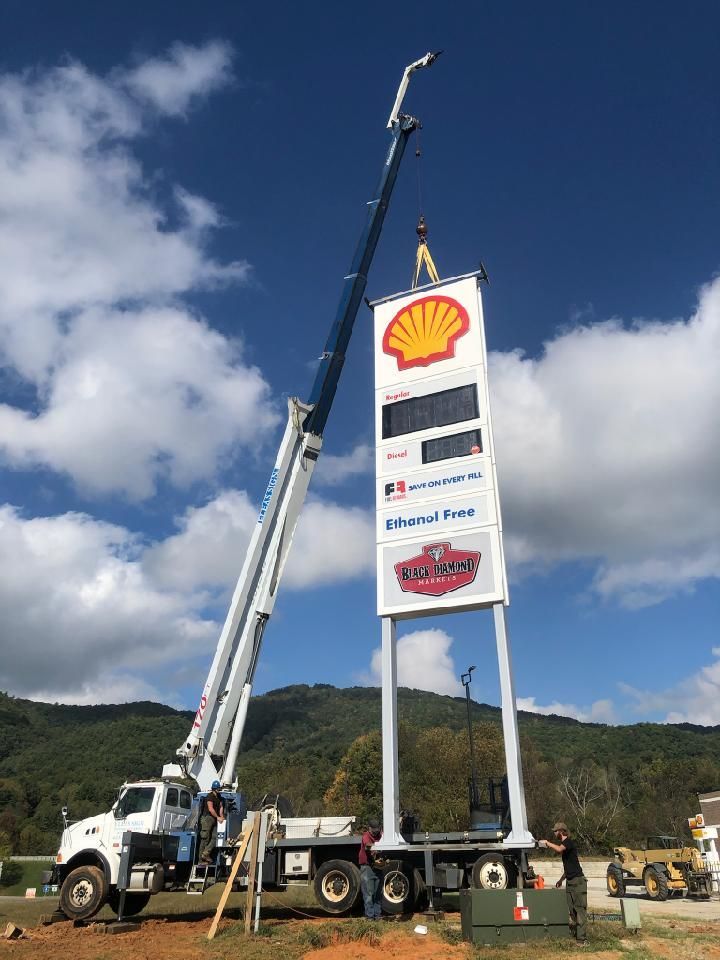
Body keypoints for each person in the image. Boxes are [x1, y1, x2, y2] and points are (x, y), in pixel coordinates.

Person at [538, 822, 587, 946]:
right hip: (570, 881)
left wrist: (547, 843)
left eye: (555, 831)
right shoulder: (565, 846)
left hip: (578, 882)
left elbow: (559, 849)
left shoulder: (568, 843)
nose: (554, 833)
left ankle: (581, 939)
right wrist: (561, 880)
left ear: (561, 831)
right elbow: (568, 868)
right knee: (572, 911)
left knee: (579, 910)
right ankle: (577, 934)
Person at [358, 817, 383, 919]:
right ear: (369, 828)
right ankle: (369, 916)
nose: (376, 832)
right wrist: (377, 847)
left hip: (378, 867)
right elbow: (367, 845)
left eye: (378, 830)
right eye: (374, 830)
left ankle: (377, 915)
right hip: (367, 867)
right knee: (368, 893)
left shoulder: (381, 835)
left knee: (378, 892)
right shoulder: (366, 836)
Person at [199, 780, 225, 864]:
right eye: (217, 788)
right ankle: (201, 860)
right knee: (205, 838)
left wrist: (221, 816)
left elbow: (221, 807)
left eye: (219, 788)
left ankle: (206, 853)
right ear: (213, 788)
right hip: (207, 818)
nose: (218, 790)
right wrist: (218, 817)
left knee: (215, 837)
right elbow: (210, 809)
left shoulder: (219, 796)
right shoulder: (210, 796)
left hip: (214, 818)